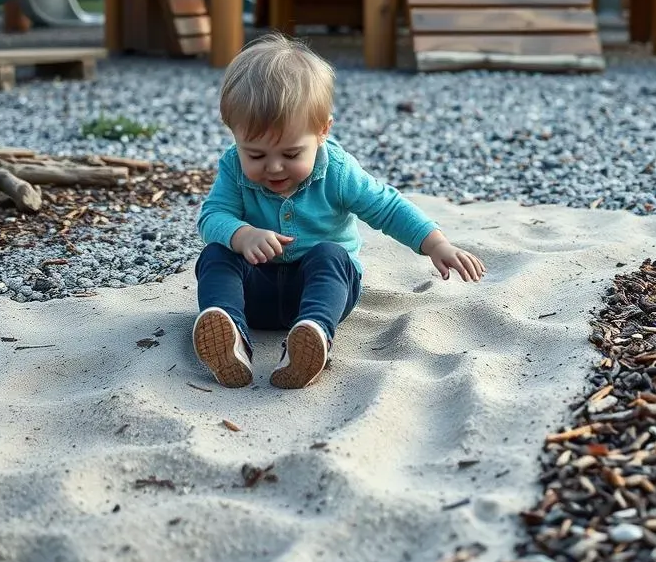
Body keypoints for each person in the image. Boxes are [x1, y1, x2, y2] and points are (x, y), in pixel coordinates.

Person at [193, 33, 485, 390]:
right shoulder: (233, 168)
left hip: (320, 290)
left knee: (332, 255)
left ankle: (311, 337)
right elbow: (211, 217)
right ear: (234, 135)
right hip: (257, 292)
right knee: (216, 254)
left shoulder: (338, 171)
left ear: (322, 132)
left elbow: (387, 207)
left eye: (290, 154)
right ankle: (232, 336)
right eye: (255, 155)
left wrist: (436, 244)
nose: (273, 168)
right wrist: (242, 235)